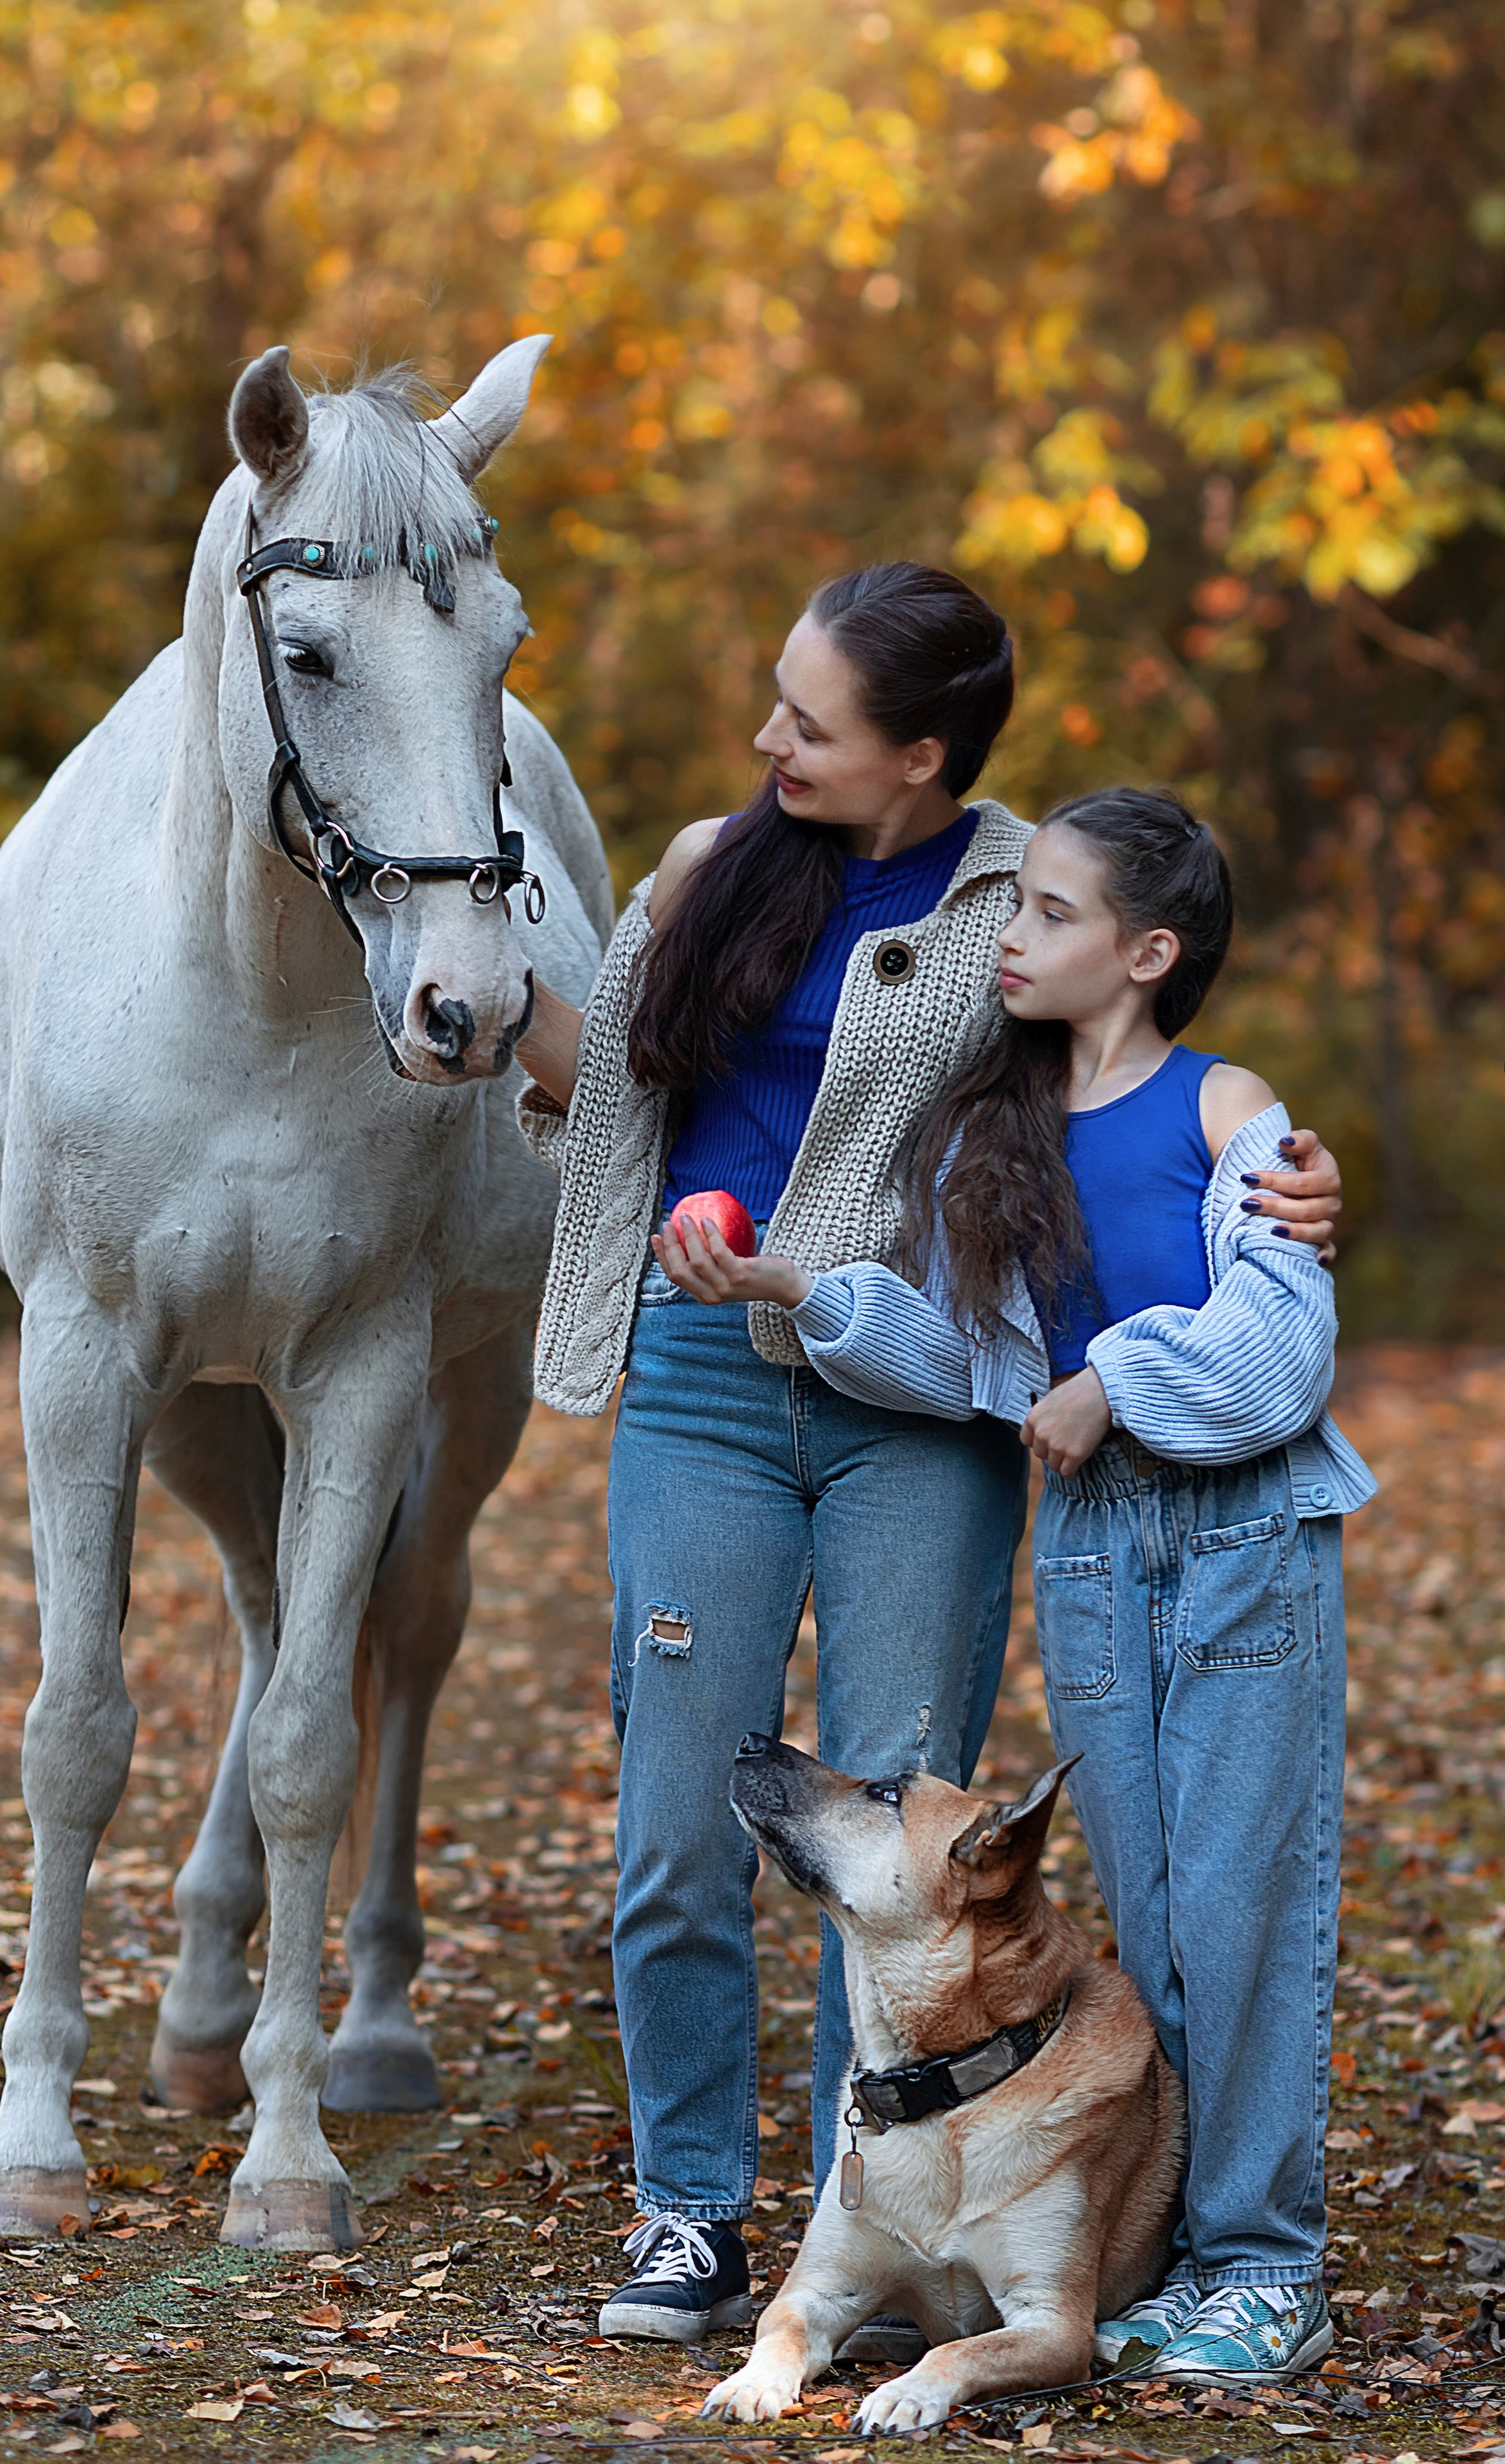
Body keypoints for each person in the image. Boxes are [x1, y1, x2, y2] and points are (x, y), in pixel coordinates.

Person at [513, 570, 1343, 2350]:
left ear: (925, 754)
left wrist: (1276, 1174)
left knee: (897, 1835)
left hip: (926, 1407)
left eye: (809, 723)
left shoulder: (1022, 899)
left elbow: (1132, 1063)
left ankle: (869, 2217)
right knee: (679, 1821)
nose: (767, 742)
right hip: (707, 1377)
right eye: (776, 702)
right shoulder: (703, 869)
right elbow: (622, 1092)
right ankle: (687, 2209)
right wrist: (506, 1014)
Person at [657, 785, 1370, 2388]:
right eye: (1016, 901)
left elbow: (1285, 1339)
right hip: (1098, 1545)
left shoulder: (1219, 1106)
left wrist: (1110, 1380)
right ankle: (1175, 2241)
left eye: (1049, 912)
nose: (1012, 932)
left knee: (1245, 1902)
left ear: (1145, 950)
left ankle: (1269, 2260)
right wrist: (794, 1282)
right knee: (1156, 1916)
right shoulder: (1005, 1130)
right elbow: (972, 1359)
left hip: (1241, 1535)